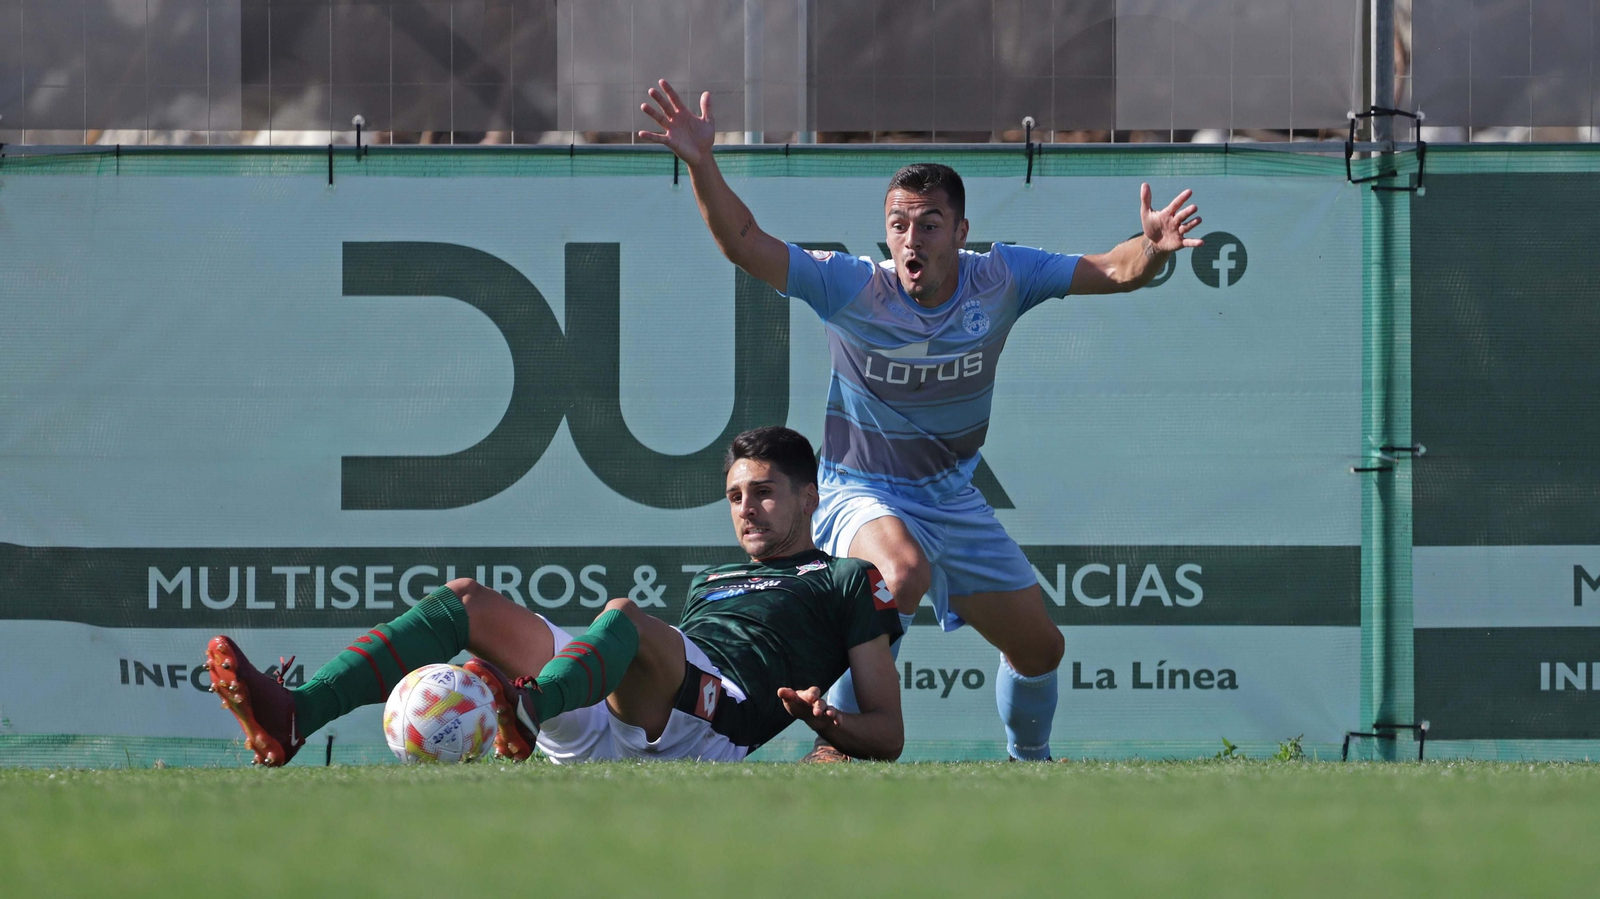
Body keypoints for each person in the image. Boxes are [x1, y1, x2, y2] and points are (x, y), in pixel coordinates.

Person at [637, 80, 1203, 761]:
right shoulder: (853, 285)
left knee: (1040, 648)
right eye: (900, 223)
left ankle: (1032, 766)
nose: (912, 238)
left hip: (951, 495)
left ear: (960, 233)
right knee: (897, 574)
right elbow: (744, 242)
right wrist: (703, 163)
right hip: (859, 490)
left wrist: (1151, 247)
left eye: (929, 223)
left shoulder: (1002, 278)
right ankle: (836, 751)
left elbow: (1113, 269)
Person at [205, 427, 904, 765]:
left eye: (763, 492)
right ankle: (298, 713)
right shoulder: (712, 579)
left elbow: (889, 731)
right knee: (466, 600)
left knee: (625, 615)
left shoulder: (845, 579)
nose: (745, 508)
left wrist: (827, 725)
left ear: (809, 497)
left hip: (714, 723)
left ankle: (527, 703)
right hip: (621, 706)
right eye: (733, 496)